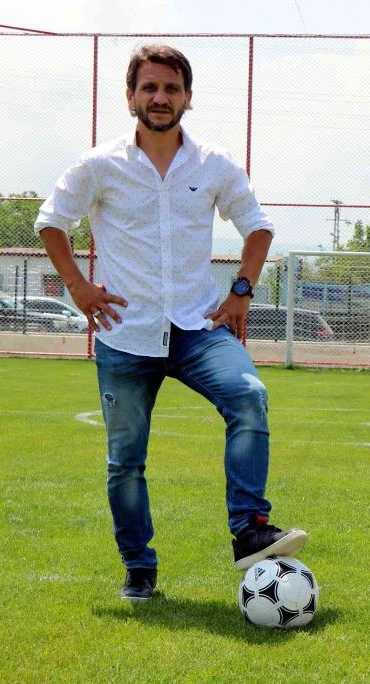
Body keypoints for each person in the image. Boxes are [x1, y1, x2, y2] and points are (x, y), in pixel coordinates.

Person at [34, 44, 308, 601]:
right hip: (125, 334)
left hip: (197, 327)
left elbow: (258, 228)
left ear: (188, 97)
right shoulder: (99, 165)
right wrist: (79, 287)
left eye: (171, 88)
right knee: (125, 462)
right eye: (150, 87)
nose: (160, 97)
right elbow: (51, 222)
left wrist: (241, 291)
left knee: (249, 396)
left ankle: (249, 529)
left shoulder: (213, 163)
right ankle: (139, 567)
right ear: (131, 96)